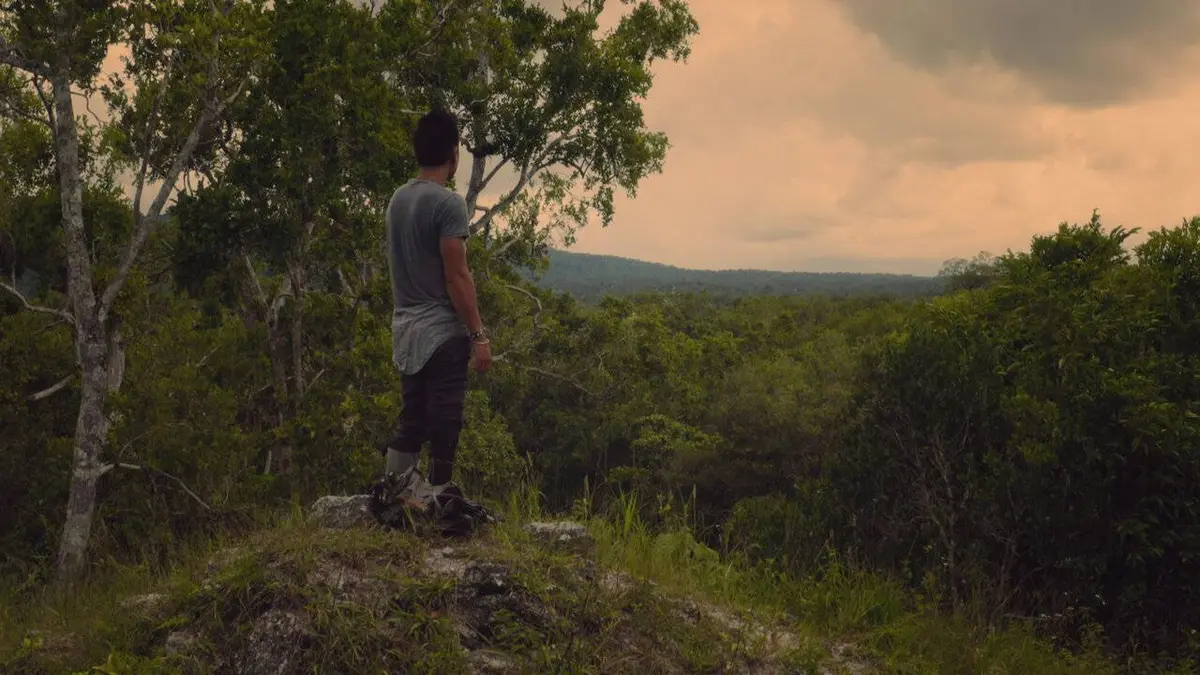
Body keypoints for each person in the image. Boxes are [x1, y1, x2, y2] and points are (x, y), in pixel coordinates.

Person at [382, 109, 492, 487]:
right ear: (454, 153)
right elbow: (457, 276)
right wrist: (478, 335)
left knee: (412, 418)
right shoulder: (448, 204)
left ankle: (395, 493)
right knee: (446, 420)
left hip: (406, 330)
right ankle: (439, 496)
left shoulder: (398, 199)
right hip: (442, 332)